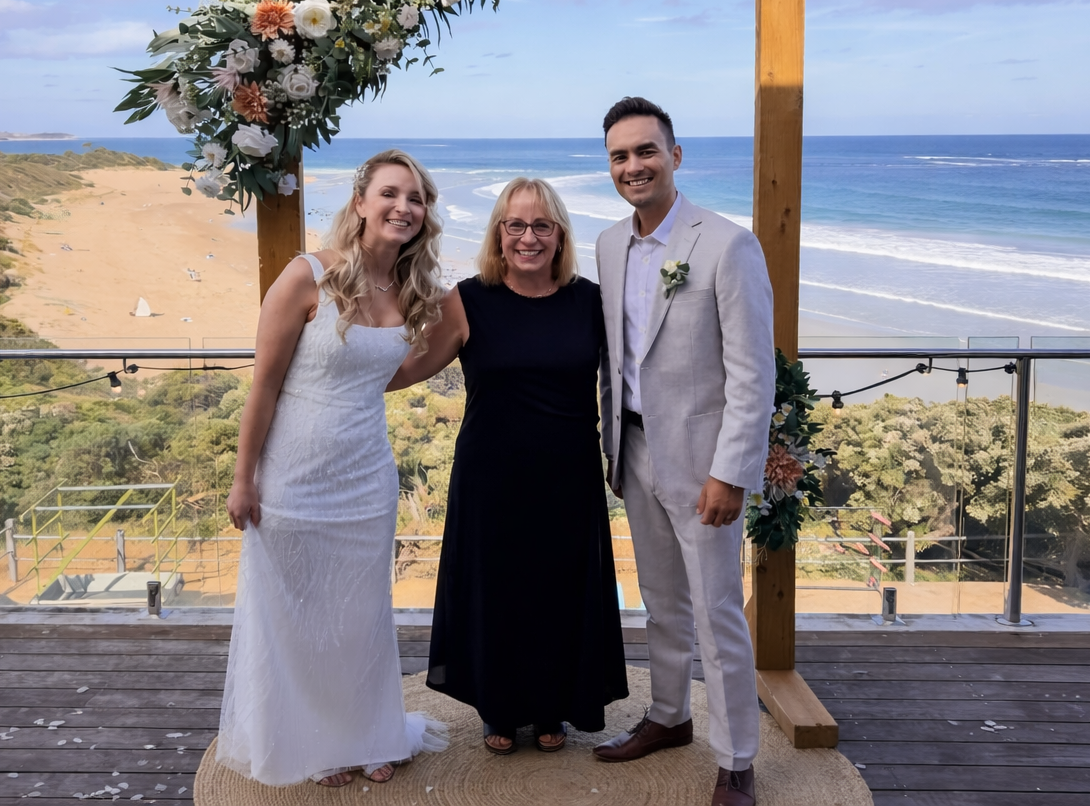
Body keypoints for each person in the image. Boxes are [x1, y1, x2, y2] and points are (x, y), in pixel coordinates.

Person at [217, 150, 450, 788]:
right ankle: (312, 743)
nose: (404, 207)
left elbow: (394, 370)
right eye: (391, 193)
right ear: (360, 203)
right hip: (292, 476)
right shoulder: (306, 276)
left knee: (358, 615)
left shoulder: (415, 291)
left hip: (366, 477)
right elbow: (262, 387)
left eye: (416, 198)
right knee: (295, 615)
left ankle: (367, 733)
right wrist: (245, 479)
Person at [391, 177, 629, 755]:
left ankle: (553, 709)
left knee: (557, 592)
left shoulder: (590, 300)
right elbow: (405, 369)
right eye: (515, 225)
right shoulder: (466, 299)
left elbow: (640, 372)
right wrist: (323, 377)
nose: (528, 237)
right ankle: (498, 708)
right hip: (490, 477)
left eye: (541, 225)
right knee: (496, 590)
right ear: (498, 234)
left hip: (567, 476)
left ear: (559, 235)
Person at [591, 97, 775, 806]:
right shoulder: (609, 245)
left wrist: (730, 472)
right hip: (632, 446)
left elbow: (753, 373)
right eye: (619, 156)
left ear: (675, 155)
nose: (632, 165)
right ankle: (668, 717)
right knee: (660, 600)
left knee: (716, 610)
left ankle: (736, 760)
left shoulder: (727, 245)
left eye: (645, 151)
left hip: (702, 462)